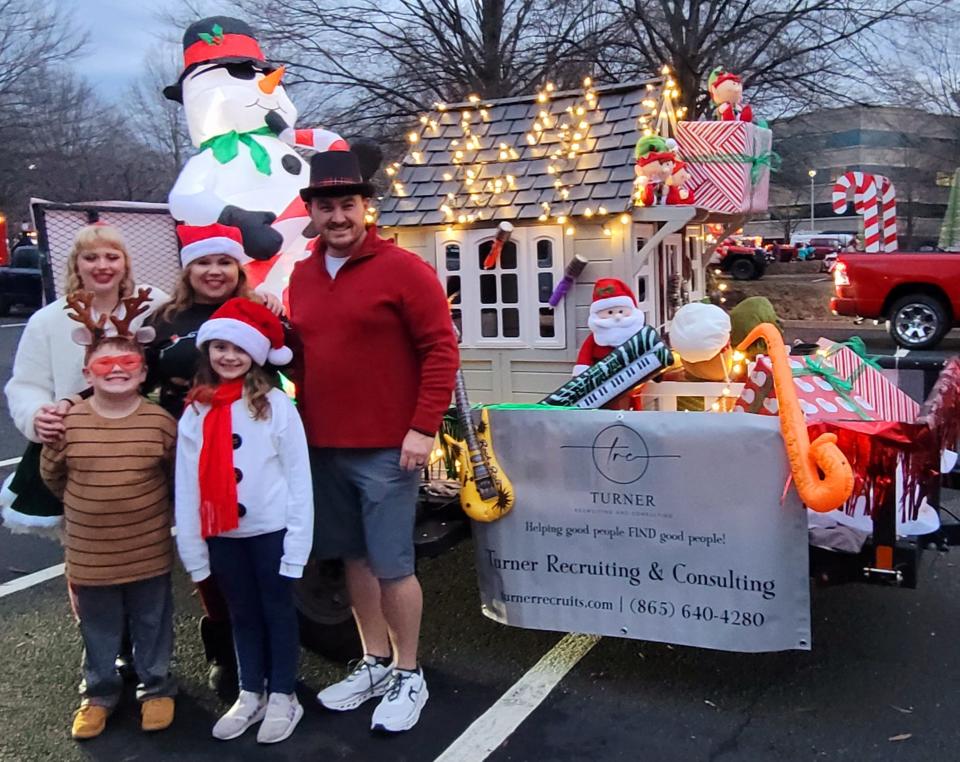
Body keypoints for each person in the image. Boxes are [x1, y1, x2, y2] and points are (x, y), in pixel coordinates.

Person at [289, 150, 459, 733]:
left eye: (347, 204)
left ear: (366, 208)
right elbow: (305, 356)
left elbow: (441, 350)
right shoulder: (302, 275)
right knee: (352, 559)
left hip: (389, 447)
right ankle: (375, 661)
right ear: (311, 211)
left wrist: (422, 427)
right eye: (326, 205)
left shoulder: (405, 270)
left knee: (392, 563)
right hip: (324, 443)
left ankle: (410, 672)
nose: (337, 216)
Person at [144, 222, 282, 693]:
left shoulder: (256, 310)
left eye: (224, 261)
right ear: (188, 268)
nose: (215, 270)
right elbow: (134, 378)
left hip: (248, 446)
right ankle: (223, 643)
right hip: (186, 446)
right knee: (204, 543)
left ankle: (269, 648)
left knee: (253, 545)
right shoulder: (165, 319)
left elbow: (284, 362)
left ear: (238, 267)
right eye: (204, 261)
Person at [174, 298, 313, 745]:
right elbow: (187, 484)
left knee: (277, 611)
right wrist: (194, 551)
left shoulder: (274, 404)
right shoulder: (196, 409)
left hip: (269, 533)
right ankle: (251, 691)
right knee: (241, 614)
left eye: (238, 348)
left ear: (254, 354)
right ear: (208, 351)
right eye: (219, 347)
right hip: (222, 535)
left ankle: (284, 695)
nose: (228, 356)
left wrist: (297, 546)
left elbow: (298, 479)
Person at [38, 296, 178, 740]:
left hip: (147, 548)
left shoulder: (159, 423)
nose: (116, 371)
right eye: (104, 365)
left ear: (141, 372)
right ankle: (98, 693)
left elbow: (173, 477)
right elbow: (53, 475)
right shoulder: (69, 423)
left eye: (126, 364)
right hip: (91, 553)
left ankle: (156, 686)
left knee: (152, 620)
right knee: (98, 627)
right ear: (87, 374)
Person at [3, 224, 167, 532]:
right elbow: (27, 385)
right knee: (83, 541)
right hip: (80, 448)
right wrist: (38, 415)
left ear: (125, 263)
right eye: (91, 257)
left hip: (142, 442)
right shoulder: (48, 321)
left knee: (146, 530)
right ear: (76, 264)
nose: (102, 266)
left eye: (111, 257)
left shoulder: (154, 306)